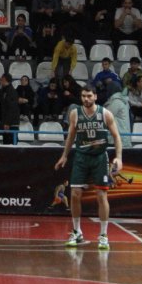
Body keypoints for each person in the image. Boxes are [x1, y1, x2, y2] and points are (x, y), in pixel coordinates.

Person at [54, 86, 123, 250]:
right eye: (83, 96)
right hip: (81, 157)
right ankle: (77, 232)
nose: (86, 99)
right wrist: (64, 155)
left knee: (101, 195)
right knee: (75, 194)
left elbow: (116, 136)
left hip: (100, 157)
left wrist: (119, 157)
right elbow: (71, 135)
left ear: (95, 97)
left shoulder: (105, 114)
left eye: (89, 96)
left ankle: (104, 235)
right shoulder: (75, 113)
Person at [0, 73, 21, 145]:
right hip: (8, 123)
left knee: (11, 144)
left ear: (4, 79)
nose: (0, 81)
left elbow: (12, 109)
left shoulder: (11, 92)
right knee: (6, 144)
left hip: (11, 124)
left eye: (1, 79)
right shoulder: (5, 90)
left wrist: (7, 123)